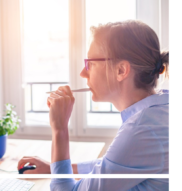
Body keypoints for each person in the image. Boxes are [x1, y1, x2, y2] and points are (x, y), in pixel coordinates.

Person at [18, 20, 170, 191]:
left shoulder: (141, 129)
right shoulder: (160, 110)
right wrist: (55, 168)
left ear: (121, 70)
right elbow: (114, 164)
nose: (83, 73)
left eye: (90, 64)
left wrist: (60, 129)